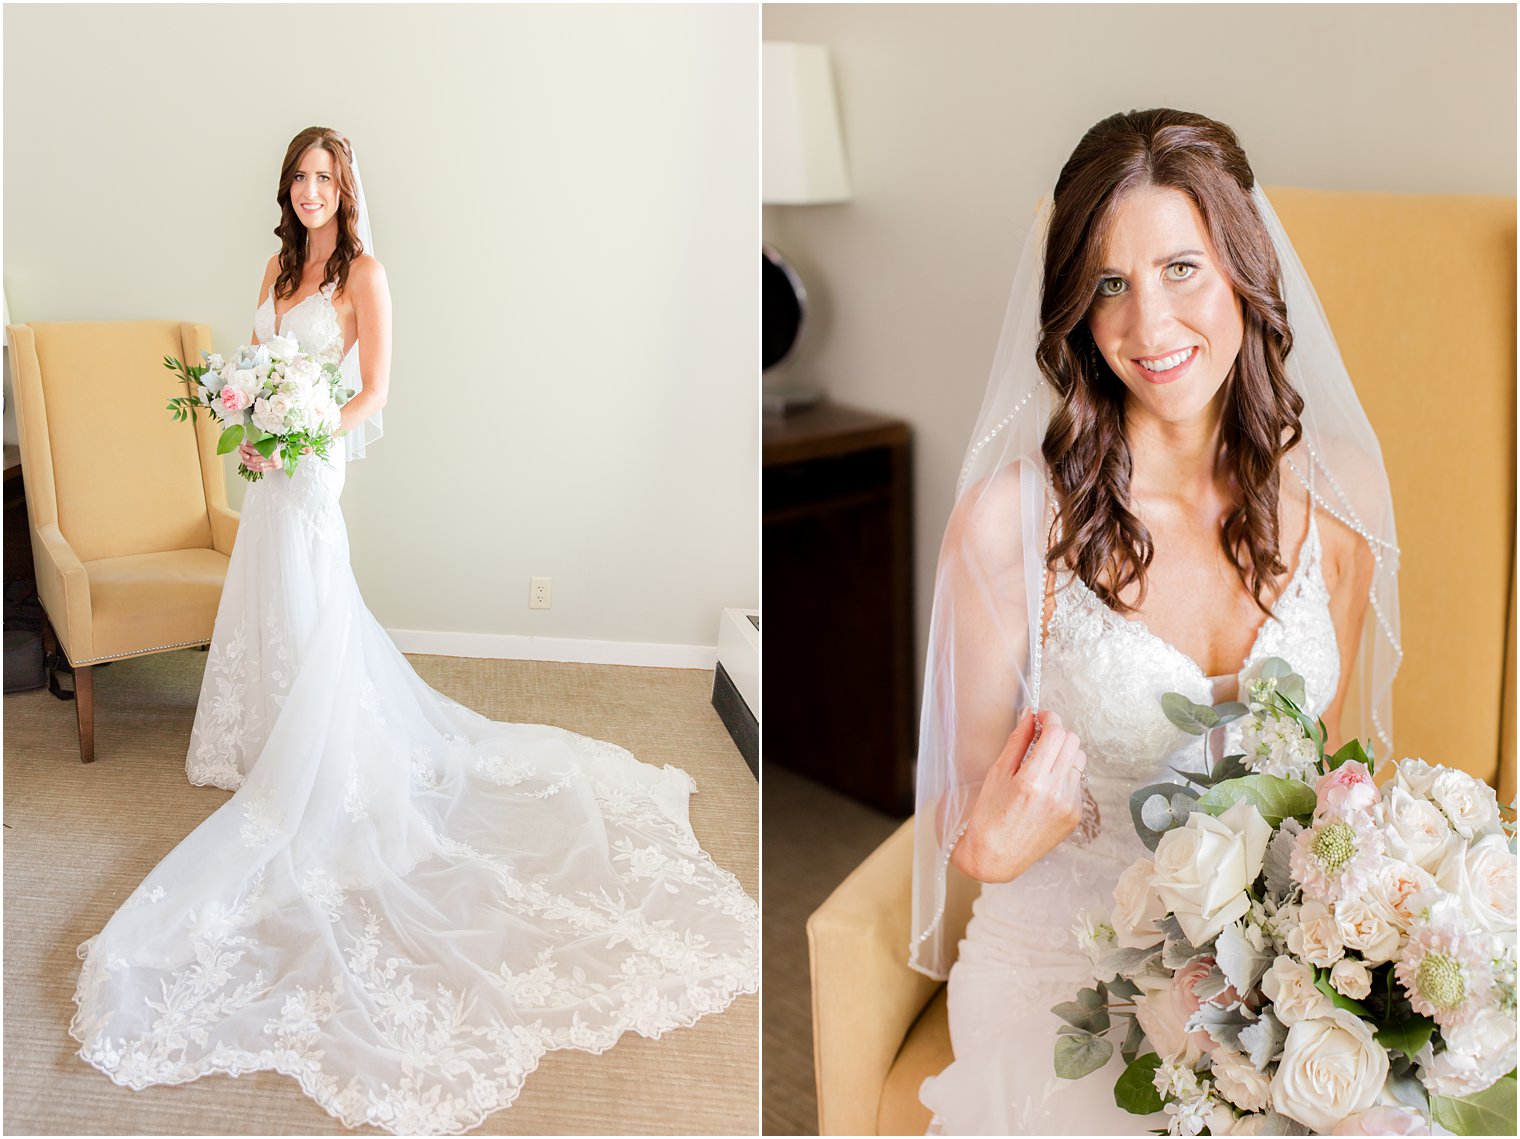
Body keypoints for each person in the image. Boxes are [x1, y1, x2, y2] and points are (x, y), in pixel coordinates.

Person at [69, 127, 758, 1135]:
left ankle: (329, 761)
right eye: (299, 177)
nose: (309, 192)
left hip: (311, 462)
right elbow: (256, 363)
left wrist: (299, 430)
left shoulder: (366, 276)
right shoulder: (270, 264)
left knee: (316, 605)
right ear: (286, 188)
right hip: (266, 466)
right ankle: (266, 734)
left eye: (324, 178)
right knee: (268, 602)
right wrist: (251, 420)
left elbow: (375, 392)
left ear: (346, 190)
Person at [909, 109, 1400, 1134]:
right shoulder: (1008, 525)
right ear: (1074, 312)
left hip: (1265, 968)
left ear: (1242, 271)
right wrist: (990, 843)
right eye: (1109, 284)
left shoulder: (1340, 500)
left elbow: (1323, 775)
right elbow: (960, 806)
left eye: (1181, 268)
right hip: (1063, 960)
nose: (1147, 327)